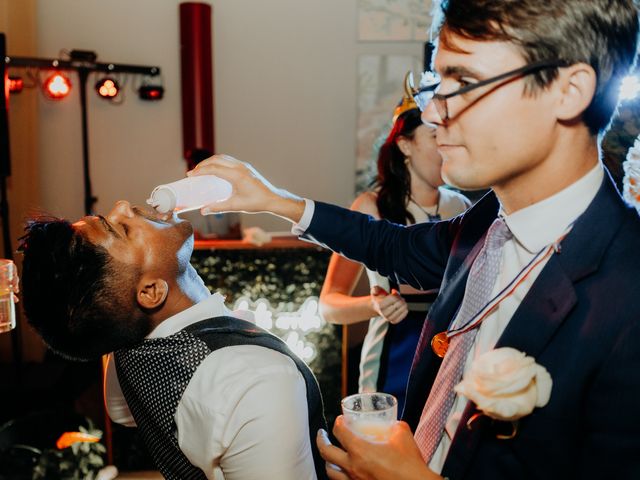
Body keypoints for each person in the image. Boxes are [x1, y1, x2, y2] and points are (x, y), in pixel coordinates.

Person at [186, 0, 640, 477]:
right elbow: (394, 247)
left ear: (568, 92)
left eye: (464, 83)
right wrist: (276, 200)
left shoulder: (626, 292)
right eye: (436, 85)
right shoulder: (491, 217)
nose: (435, 114)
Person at [18, 202, 327, 480]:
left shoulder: (126, 351)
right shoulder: (257, 381)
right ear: (151, 292)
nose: (124, 206)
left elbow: (120, 412)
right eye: (121, 230)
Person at [320, 89, 470, 412]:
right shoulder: (371, 208)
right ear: (405, 145)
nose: (445, 143)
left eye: (448, 132)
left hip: (453, 355)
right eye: (434, 134)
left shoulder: (463, 207)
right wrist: (374, 305)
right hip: (394, 356)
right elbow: (329, 305)